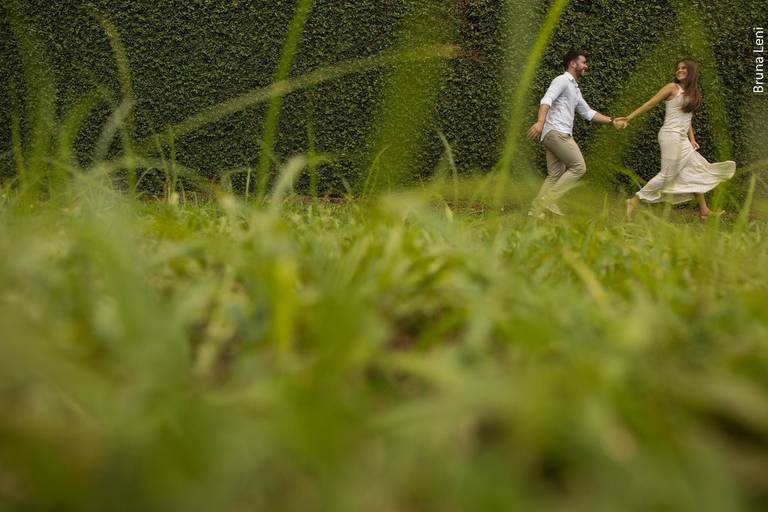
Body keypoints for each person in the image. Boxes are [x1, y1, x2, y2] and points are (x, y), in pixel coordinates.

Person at [620, 59, 736, 220]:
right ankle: (634, 200)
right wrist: (628, 118)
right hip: (670, 135)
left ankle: (704, 210)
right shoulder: (671, 88)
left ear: (692, 72)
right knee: (667, 175)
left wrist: (692, 139)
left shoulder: (691, 93)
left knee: (696, 168)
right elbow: (650, 103)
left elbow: (687, 119)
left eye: (683, 68)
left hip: (682, 139)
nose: (679, 70)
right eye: (678, 68)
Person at [527, 49, 621, 217]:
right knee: (579, 167)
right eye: (583, 62)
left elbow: (588, 113)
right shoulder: (562, 80)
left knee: (555, 174)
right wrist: (540, 122)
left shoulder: (575, 89)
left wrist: (612, 120)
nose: (586, 66)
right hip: (557, 132)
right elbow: (546, 100)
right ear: (573, 63)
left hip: (551, 134)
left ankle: (534, 212)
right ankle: (547, 200)